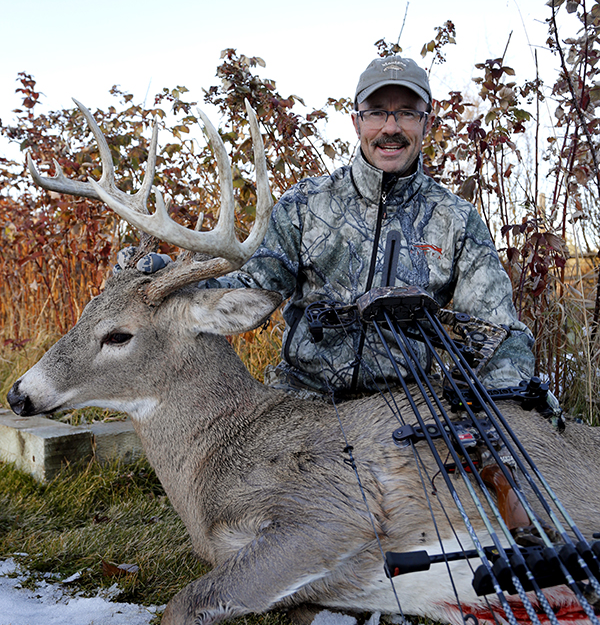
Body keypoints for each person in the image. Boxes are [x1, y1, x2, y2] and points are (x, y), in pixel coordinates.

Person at [124, 55, 535, 397]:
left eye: (407, 113)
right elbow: (249, 286)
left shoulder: (456, 221)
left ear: (427, 123)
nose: (391, 128)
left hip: (411, 407)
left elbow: (500, 333)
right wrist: (171, 276)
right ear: (357, 122)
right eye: (377, 113)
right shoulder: (306, 204)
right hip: (303, 398)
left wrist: (505, 398)